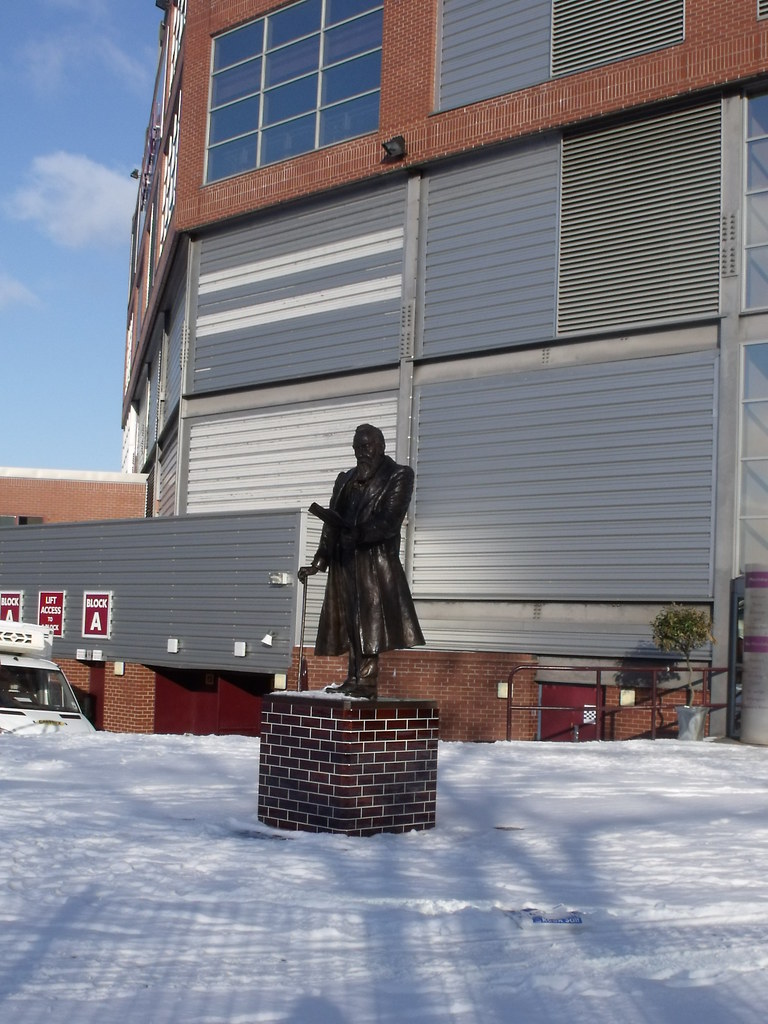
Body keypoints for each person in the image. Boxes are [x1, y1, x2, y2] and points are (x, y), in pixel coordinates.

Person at [298, 424, 424, 698]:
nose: (361, 454)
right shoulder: (345, 479)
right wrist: (319, 561)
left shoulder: (399, 475)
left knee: (369, 623)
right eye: (357, 448)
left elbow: (389, 521)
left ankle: (366, 681)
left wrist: (359, 533)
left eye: (366, 447)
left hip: (375, 564)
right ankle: (354, 678)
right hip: (345, 563)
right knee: (350, 621)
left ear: (380, 447)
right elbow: (331, 524)